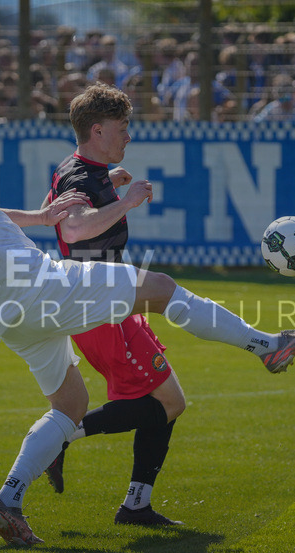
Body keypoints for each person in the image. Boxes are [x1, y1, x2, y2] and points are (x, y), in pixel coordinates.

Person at [0, 86, 295, 547]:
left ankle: (8, 501)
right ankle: (266, 345)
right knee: (160, 287)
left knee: (71, 404)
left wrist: (40, 216)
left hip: (8, 315)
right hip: (38, 288)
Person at [37, 82, 187, 527]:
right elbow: (74, 232)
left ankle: (136, 505)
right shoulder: (84, 175)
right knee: (165, 404)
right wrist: (125, 201)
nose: (128, 138)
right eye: (123, 129)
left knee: (171, 402)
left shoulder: (75, 167)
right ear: (98, 131)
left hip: (115, 305)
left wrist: (109, 188)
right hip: (99, 309)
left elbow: (54, 209)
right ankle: (58, 439)